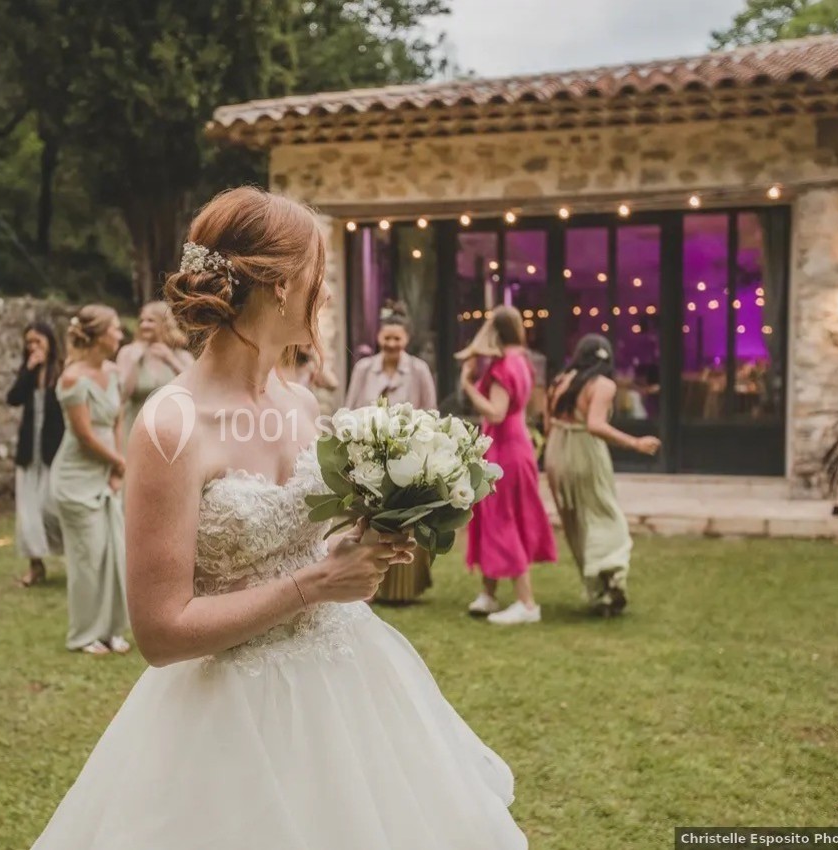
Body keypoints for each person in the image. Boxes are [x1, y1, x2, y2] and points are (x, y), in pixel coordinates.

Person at [29, 187, 528, 850]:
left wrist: (369, 539)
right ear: (282, 287)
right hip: (232, 719)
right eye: (319, 283)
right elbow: (159, 632)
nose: (323, 300)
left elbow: (308, 539)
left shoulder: (300, 405)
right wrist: (315, 584)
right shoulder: (171, 426)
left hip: (350, 688)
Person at [545, 334, 661, 616]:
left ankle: (598, 591)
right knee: (606, 515)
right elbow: (595, 425)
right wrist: (635, 443)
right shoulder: (603, 385)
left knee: (576, 521)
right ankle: (610, 576)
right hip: (584, 450)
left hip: (556, 453)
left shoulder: (561, 381)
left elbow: (548, 423)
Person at [458, 306, 558, 624]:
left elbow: (496, 412)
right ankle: (489, 593)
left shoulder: (503, 367)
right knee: (493, 515)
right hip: (517, 444)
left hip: (505, 447)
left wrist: (470, 387)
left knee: (502, 517)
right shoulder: (523, 361)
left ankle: (527, 604)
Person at [343, 301, 438, 603]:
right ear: (379, 338)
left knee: (404, 518)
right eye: (388, 338)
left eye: (398, 338)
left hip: (406, 455)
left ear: (406, 340)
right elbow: (349, 405)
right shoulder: (363, 369)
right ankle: (364, 584)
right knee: (365, 515)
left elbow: (430, 411)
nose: (392, 344)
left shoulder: (419, 370)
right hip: (368, 452)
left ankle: (401, 588)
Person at [51, 305, 131, 655]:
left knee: (114, 550)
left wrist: (116, 466)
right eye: (115, 328)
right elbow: (83, 435)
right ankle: (84, 634)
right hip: (76, 478)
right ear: (98, 336)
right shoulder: (73, 378)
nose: (120, 334)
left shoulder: (113, 373)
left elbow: (116, 419)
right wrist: (119, 462)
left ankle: (112, 630)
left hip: (107, 473)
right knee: (89, 556)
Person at [6, 321, 66, 587]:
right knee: (28, 512)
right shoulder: (28, 373)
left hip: (56, 451)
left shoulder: (63, 372)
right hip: (30, 451)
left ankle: (75, 559)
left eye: (38, 341)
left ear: (50, 342)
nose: (33, 347)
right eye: (29, 342)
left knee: (53, 507)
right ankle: (35, 566)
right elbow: (13, 398)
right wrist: (29, 370)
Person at [116, 300, 194, 446]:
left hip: (172, 433)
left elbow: (196, 391)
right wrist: (134, 361)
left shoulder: (182, 357)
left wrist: (171, 360)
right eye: (142, 321)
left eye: (151, 321)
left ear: (164, 323)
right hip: (135, 431)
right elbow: (121, 395)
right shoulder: (127, 353)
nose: (144, 325)